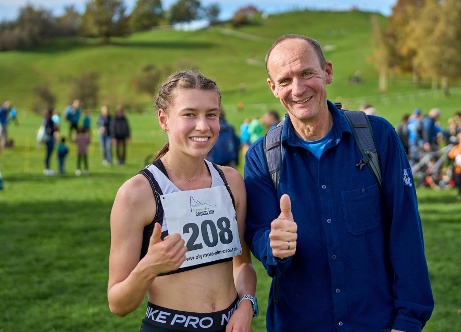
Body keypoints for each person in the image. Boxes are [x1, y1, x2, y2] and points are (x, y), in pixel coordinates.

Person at [244, 34, 434, 332]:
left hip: (375, 323)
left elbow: (405, 229)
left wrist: (408, 321)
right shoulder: (261, 156)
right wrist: (271, 244)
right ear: (272, 88)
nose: (297, 89)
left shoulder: (376, 137)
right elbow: (258, 234)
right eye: (285, 80)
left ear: (328, 72)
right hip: (299, 324)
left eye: (307, 73)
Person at [107, 70, 257, 332]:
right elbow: (118, 304)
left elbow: (242, 263)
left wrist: (246, 303)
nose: (203, 125)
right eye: (189, 114)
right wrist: (149, 267)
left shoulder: (232, 181)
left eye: (211, 114)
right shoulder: (136, 194)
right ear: (163, 119)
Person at [42, 108, 59, 176]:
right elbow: (49, 130)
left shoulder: (49, 120)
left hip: (51, 138)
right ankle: (47, 169)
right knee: (48, 154)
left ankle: (48, 168)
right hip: (49, 139)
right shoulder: (47, 120)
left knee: (49, 154)